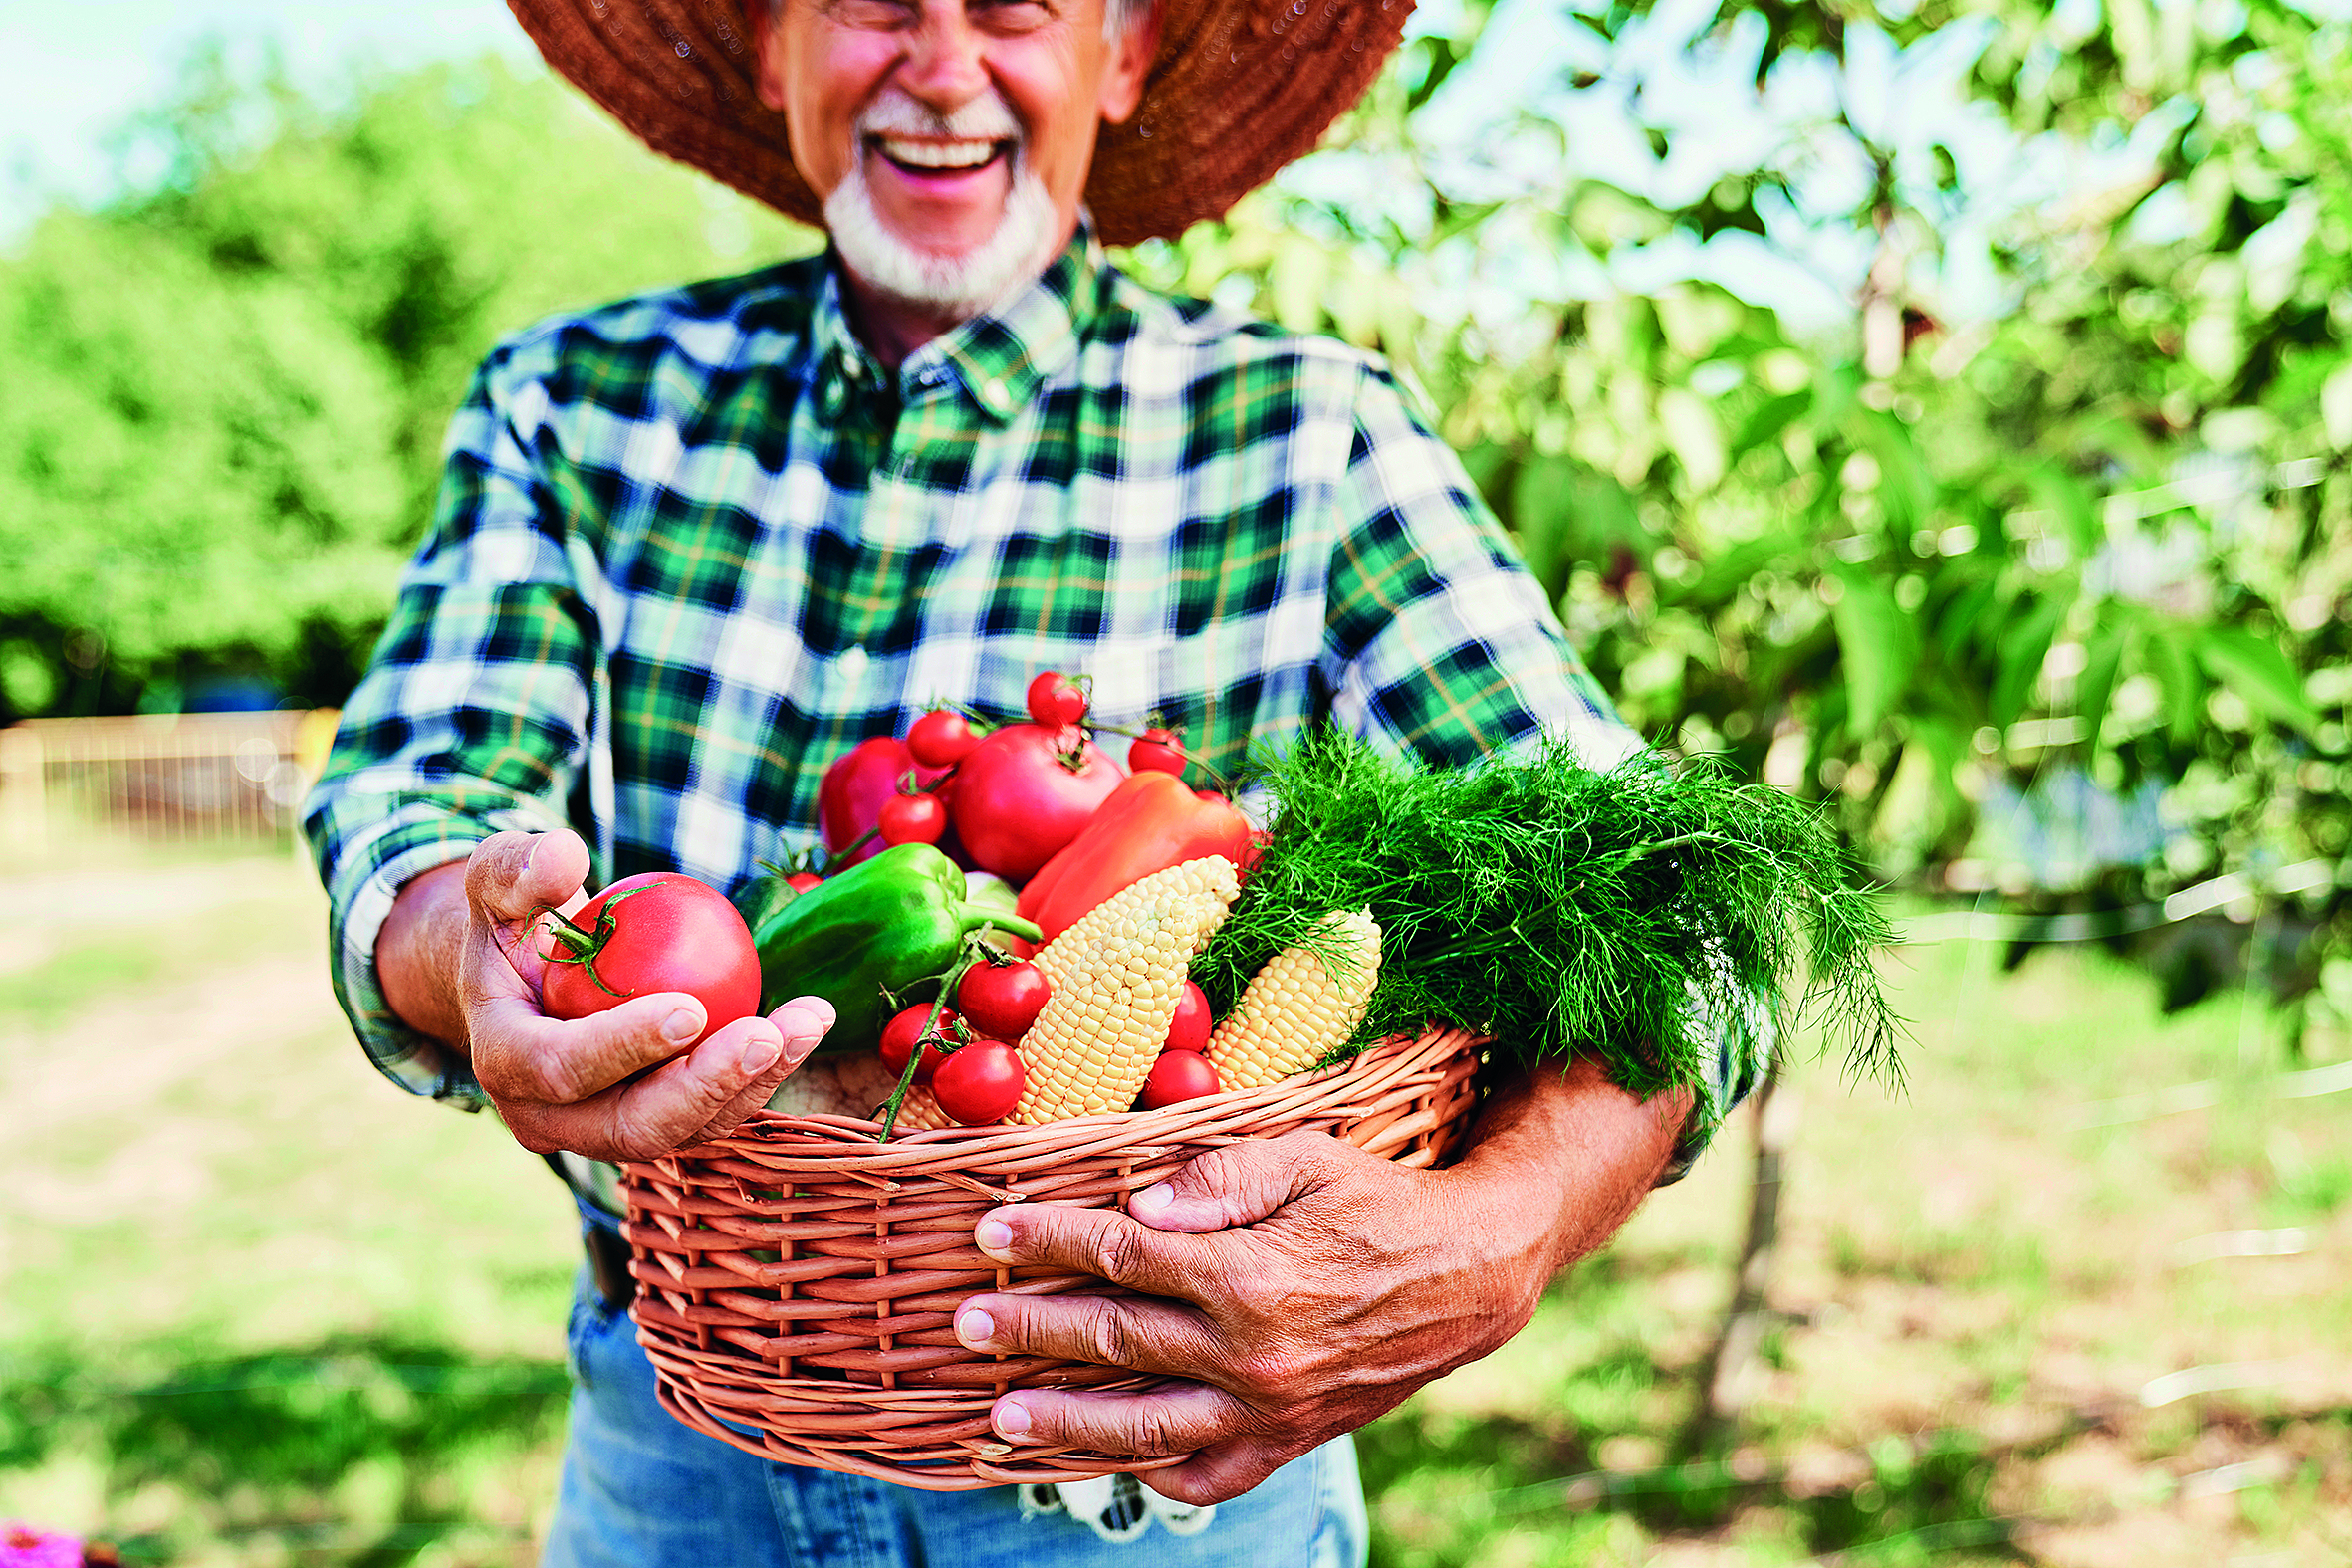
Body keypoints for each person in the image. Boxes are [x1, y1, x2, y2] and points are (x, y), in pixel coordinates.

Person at [302, 0, 1766, 1560]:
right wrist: (470, 948)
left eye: (1014, 6)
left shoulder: (1311, 429)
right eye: (871, 2)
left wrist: (1504, 1231)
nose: (941, 67)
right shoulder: (573, 405)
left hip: (1159, 1464)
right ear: (771, 51)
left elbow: (1671, 907)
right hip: (681, 1440)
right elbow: (422, 791)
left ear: (1122, 58)